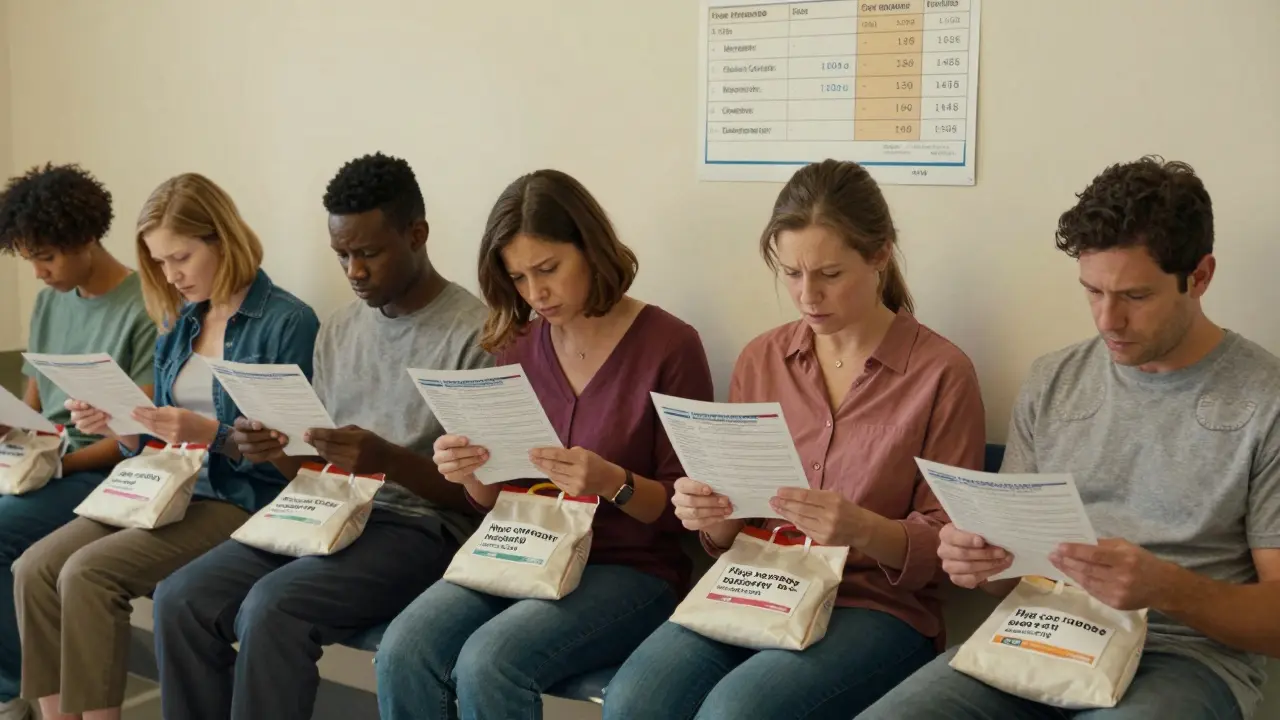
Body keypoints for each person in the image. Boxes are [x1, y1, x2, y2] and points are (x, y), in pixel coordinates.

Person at [858, 156, 1280, 720]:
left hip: (1183, 659)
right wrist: (980, 563)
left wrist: (1168, 588)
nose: (1107, 320)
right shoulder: (1054, 380)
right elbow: (1008, 581)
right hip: (1038, 637)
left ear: (1199, 277)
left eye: (1135, 297)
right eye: (1092, 291)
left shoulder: (1266, 401)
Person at [602, 159, 987, 720]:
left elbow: (951, 546)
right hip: (757, 583)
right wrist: (710, 511)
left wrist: (862, 529)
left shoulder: (941, 372)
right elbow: (727, 532)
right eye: (791, 273)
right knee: (635, 696)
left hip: (872, 606)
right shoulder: (762, 359)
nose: (808, 296)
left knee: (737, 711)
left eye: (830, 274)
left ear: (880, 255)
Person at [150, 153, 492, 720]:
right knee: (180, 598)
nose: (354, 271)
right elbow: (315, 468)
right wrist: (276, 450)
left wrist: (386, 460)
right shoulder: (339, 327)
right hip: (325, 508)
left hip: (418, 527)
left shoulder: (475, 333)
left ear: (417, 235)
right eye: (342, 255)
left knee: (272, 607)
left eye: (368, 253)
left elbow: (476, 500)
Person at [373, 169, 715, 720]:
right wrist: (469, 473)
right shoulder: (517, 346)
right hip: (521, 552)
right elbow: (493, 500)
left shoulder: (669, 345)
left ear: (591, 249)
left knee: (490, 662)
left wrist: (612, 482)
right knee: (404, 646)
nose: (535, 294)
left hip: (627, 571)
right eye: (518, 278)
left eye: (548, 269)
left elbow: (688, 512)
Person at [11, 173, 319, 720]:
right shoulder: (180, 320)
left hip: (239, 495)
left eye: (181, 257)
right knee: (33, 568)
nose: (171, 275)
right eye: (159, 262)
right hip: (164, 482)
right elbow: (150, 438)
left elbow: (293, 457)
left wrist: (211, 434)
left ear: (222, 239)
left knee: (87, 574)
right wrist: (119, 426)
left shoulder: (287, 320)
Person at [0, 164, 156, 720]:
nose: (39, 273)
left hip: (102, 469)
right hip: (44, 462)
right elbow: (36, 402)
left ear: (85, 237)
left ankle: (16, 688)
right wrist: (12, 431)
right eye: (29, 259)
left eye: (46, 257)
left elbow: (138, 436)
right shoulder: (51, 302)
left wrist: (59, 467)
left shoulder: (145, 307)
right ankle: (23, 685)